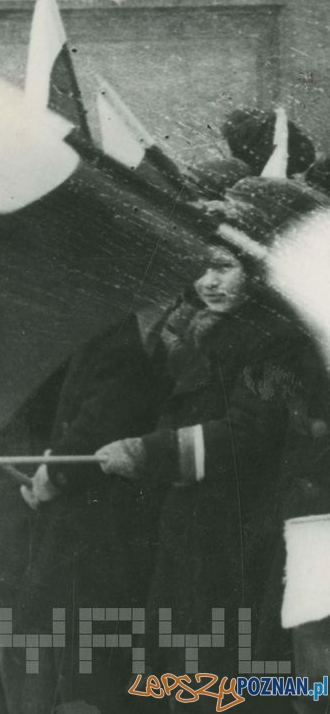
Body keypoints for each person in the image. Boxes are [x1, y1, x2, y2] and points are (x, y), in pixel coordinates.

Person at [91, 229, 321, 690]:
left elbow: (250, 433)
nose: (207, 281)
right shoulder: (205, 330)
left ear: (257, 269)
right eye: (200, 266)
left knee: (217, 665)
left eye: (222, 266)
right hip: (195, 522)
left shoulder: (280, 343)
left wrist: (147, 452)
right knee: (182, 659)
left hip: (240, 525)